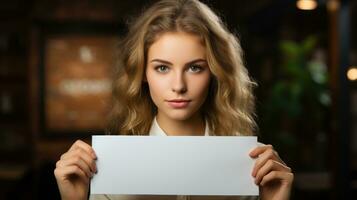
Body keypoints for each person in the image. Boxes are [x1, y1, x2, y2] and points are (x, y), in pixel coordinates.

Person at [54, 0, 294, 200]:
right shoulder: (110, 167)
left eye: (195, 68)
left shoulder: (250, 168)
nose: (178, 86)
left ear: (214, 72)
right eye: (162, 68)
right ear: (142, 74)